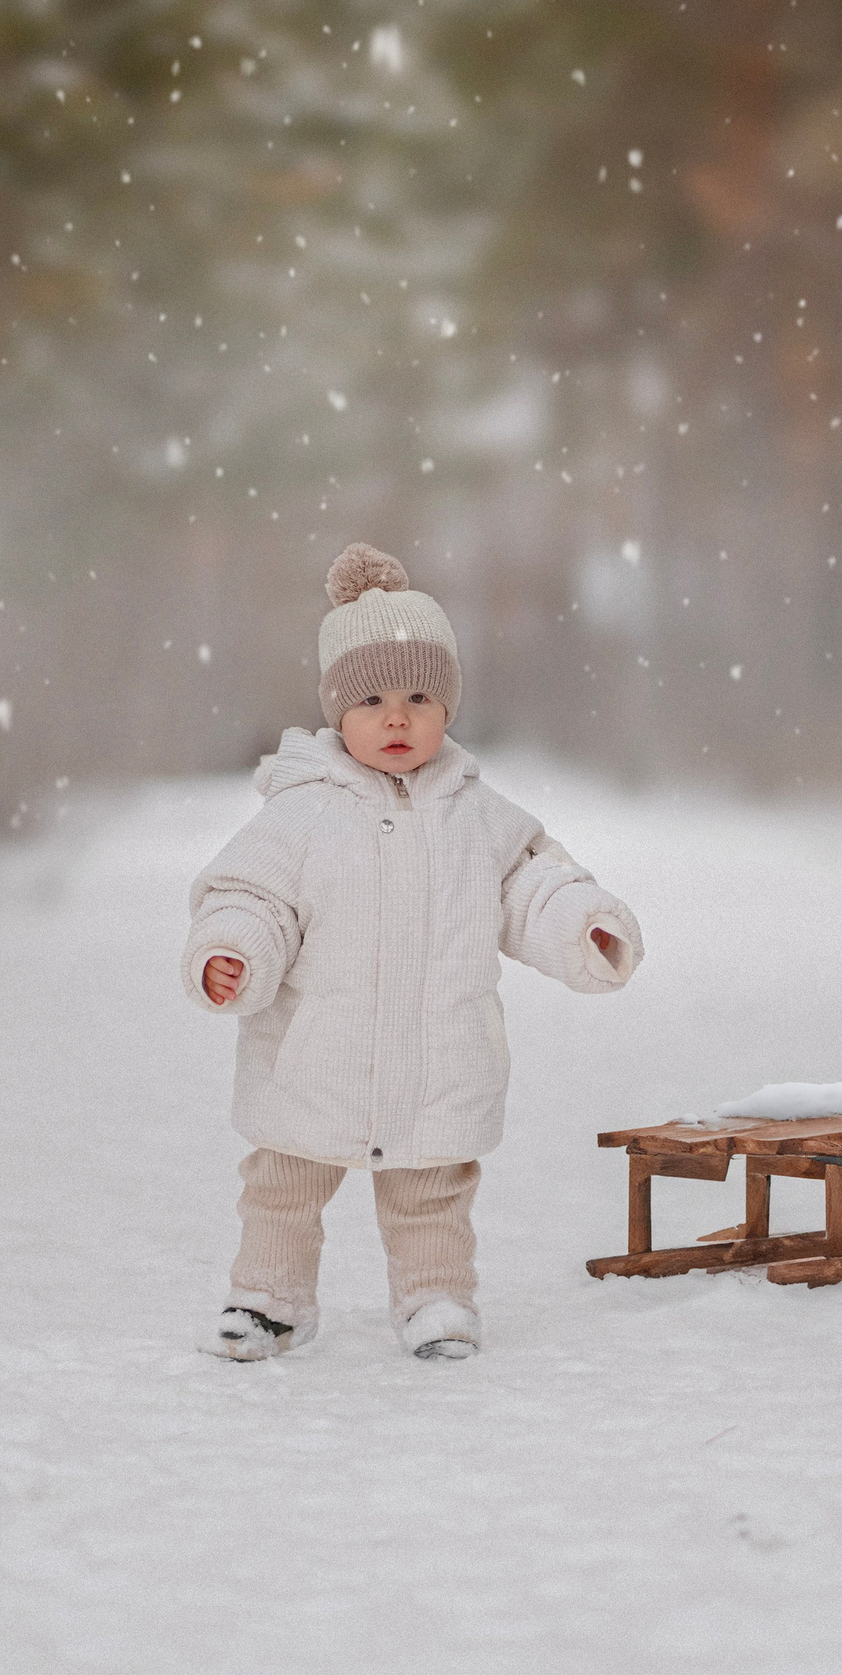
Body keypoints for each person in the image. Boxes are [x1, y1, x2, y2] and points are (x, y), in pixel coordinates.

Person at [184, 543, 644, 1361]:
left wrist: (583, 926)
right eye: (371, 699)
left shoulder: (478, 814)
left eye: (419, 695)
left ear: (448, 707)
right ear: (337, 711)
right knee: (283, 1185)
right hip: (316, 1060)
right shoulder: (301, 813)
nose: (397, 717)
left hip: (438, 1056)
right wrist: (235, 952)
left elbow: (534, 883)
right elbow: (250, 897)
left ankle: (435, 1300)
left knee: (432, 1193)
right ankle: (269, 1300)